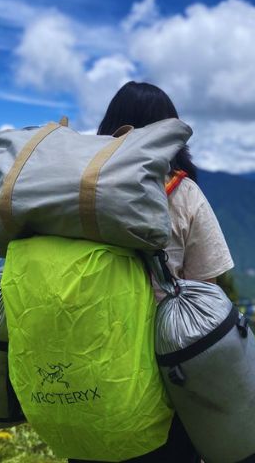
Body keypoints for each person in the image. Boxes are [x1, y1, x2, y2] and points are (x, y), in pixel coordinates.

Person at [68, 80, 235, 463]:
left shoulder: (71, 197)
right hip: (163, 382)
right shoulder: (182, 193)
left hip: (84, 372)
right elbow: (205, 297)